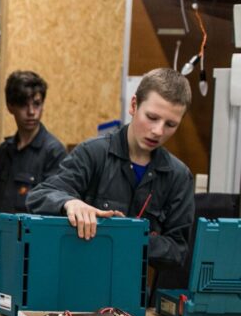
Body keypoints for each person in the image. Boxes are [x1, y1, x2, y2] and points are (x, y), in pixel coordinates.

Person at [27, 68, 194, 289]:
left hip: (135, 296)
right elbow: (38, 197)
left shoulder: (179, 177)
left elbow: (178, 251)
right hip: (76, 288)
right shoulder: (93, 154)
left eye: (170, 125)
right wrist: (70, 203)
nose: (158, 131)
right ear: (134, 106)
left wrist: (129, 236)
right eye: (152, 117)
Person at [0, 70, 66, 302]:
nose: (31, 112)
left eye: (37, 104)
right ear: (10, 106)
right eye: (23, 105)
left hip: (31, 269)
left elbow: (55, 218)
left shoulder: (54, 154)